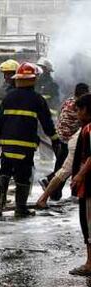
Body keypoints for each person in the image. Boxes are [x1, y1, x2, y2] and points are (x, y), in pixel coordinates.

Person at [0, 62, 59, 218]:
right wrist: (55, 140)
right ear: (33, 79)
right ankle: (20, 208)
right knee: (23, 176)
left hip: (7, 145)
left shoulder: (8, 97)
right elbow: (47, 122)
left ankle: (0, 204)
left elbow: (0, 120)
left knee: (5, 172)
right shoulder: (37, 99)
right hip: (25, 146)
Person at [39, 83, 88, 200]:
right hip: (69, 140)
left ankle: (54, 191)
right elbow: (84, 122)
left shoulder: (69, 101)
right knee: (67, 167)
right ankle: (51, 185)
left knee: (63, 166)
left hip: (60, 137)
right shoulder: (80, 107)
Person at [69, 93, 91, 276]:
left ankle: (90, 263)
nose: (77, 114)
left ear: (86, 110)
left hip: (89, 185)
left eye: (78, 110)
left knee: (88, 223)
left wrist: (80, 176)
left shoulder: (89, 129)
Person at [36, 130, 80, 208]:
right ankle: (44, 198)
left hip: (73, 140)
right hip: (78, 143)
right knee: (64, 171)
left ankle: (44, 197)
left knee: (64, 171)